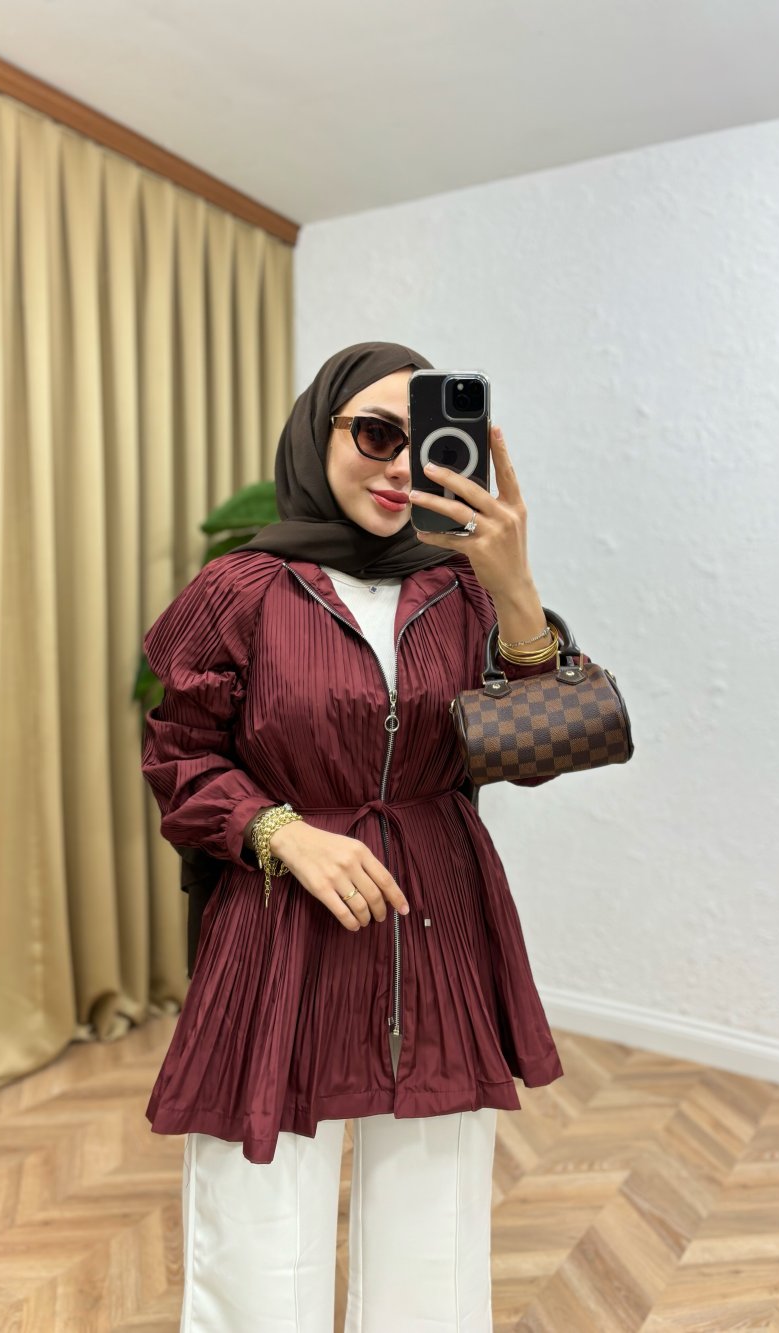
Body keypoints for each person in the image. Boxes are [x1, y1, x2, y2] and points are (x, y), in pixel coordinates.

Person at [141, 341, 577, 1332]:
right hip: (281, 913)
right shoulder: (242, 589)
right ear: (319, 431)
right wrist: (281, 831)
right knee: (259, 1205)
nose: (401, 465)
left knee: (434, 1217)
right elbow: (177, 753)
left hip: (437, 912)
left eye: (427, 444)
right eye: (378, 433)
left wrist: (514, 587)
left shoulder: (465, 589)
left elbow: (538, 753)